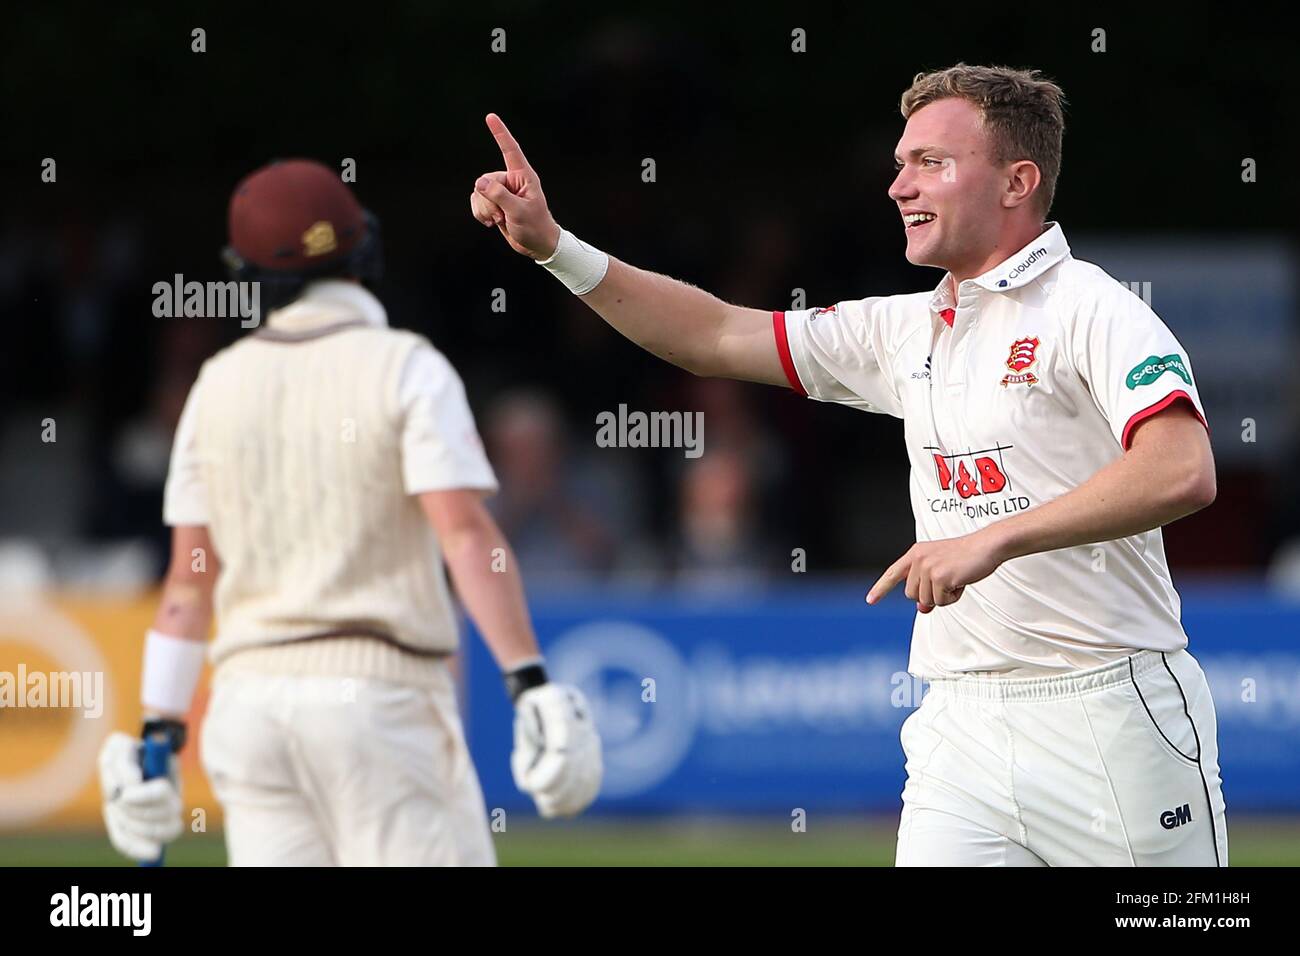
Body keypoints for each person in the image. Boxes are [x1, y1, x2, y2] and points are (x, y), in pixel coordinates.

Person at [469, 64, 1226, 866]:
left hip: (1110, 709)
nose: (900, 186)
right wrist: (556, 248)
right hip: (959, 727)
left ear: (1018, 181)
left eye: (931, 162)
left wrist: (996, 538)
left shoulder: (1094, 307)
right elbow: (715, 335)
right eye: (901, 163)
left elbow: (1182, 470)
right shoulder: (906, 328)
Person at [97, 159, 601, 866]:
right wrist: (530, 682)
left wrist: (159, 729)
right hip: (380, 703)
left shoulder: (215, 385)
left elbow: (188, 581)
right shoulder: (405, 366)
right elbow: (463, 534)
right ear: (362, 250)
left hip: (251, 711)